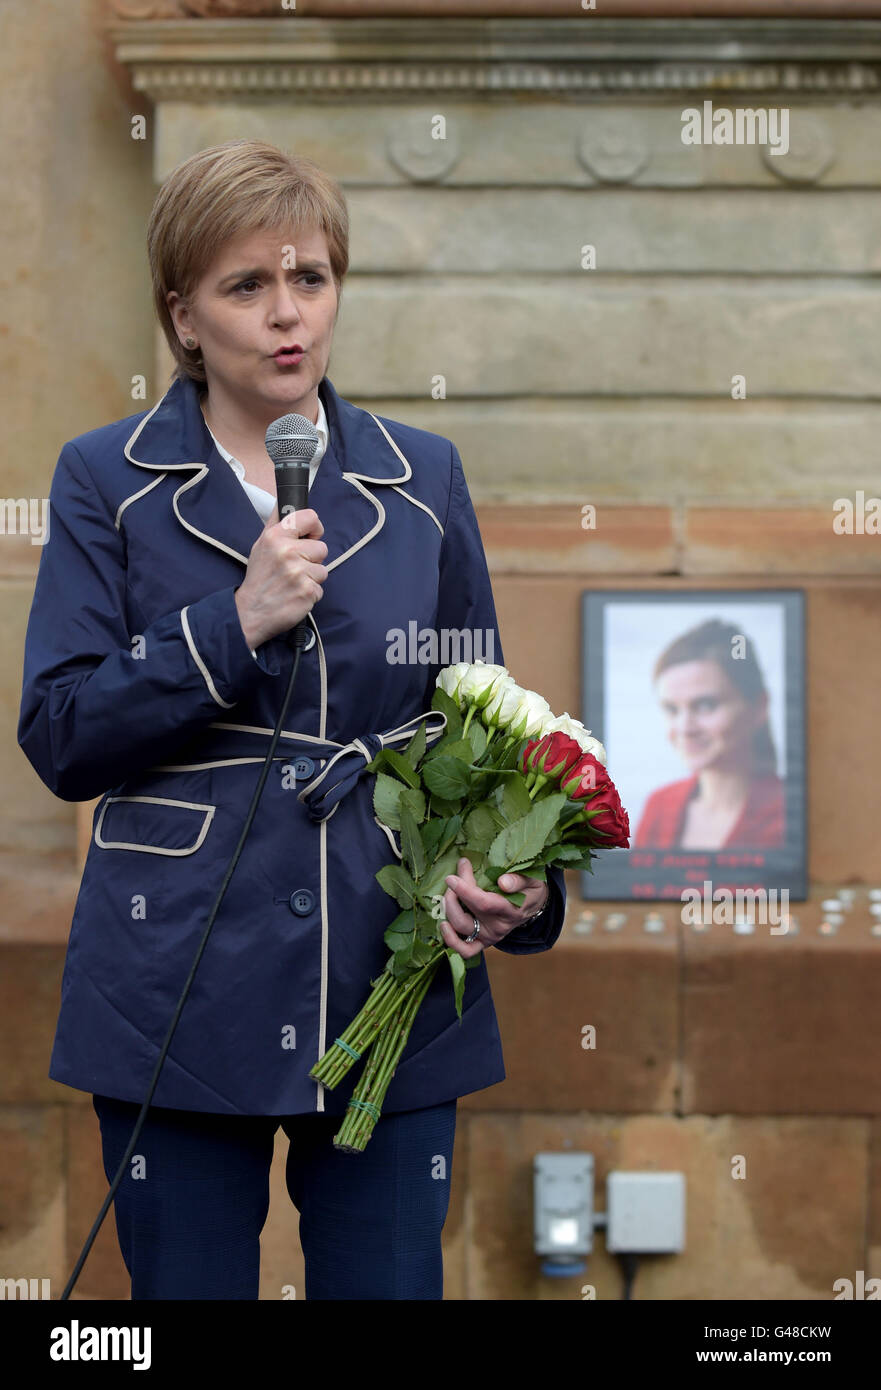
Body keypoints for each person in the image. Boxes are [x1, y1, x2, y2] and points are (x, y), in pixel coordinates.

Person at [17, 140, 566, 1301]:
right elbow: (61, 731)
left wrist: (511, 876)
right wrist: (232, 622)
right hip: (174, 980)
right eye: (246, 286)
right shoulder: (105, 479)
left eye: (309, 279)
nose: (287, 317)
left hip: (389, 976)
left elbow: (480, 726)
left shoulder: (422, 477)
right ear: (183, 316)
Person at [634, 618, 784, 851]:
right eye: (672, 709)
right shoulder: (659, 807)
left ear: (759, 707)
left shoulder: (790, 814)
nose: (684, 728)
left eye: (706, 705)